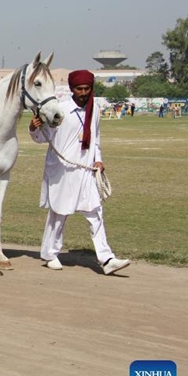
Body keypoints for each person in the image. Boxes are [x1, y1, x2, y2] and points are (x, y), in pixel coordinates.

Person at [28, 70, 129, 275]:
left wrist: (98, 160)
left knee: (95, 211)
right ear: (72, 89)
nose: (83, 92)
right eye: (79, 89)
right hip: (62, 170)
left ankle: (106, 257)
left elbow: (96, 138)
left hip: (86, 170)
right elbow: (41, 138)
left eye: (87, 88)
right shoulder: (60, 109)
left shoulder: (95, 110)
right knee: (60, 213)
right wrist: (33, 128)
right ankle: (50, 253)